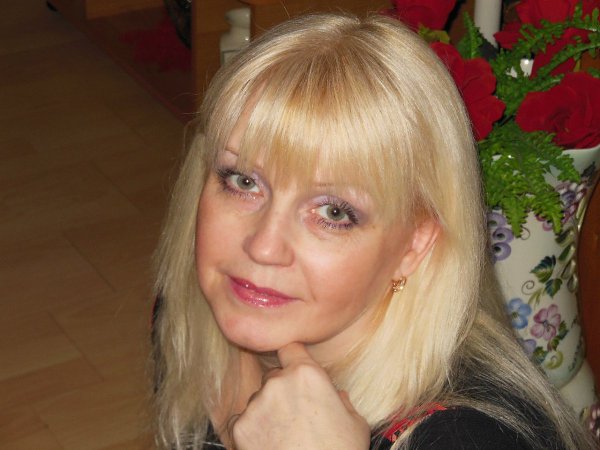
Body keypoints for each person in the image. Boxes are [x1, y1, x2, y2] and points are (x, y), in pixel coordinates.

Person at [150, 12, 594, 450]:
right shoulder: (189, 320)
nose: (262, 247)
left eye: (334, 212)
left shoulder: (468, 437)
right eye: (243, 181)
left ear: (414, 244)